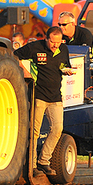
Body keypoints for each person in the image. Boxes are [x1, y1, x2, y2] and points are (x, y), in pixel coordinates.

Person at [14, 26, 72, 176]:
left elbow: (64, 65)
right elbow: (14, 55)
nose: (55, 45)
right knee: (34, 131)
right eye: (52, 42)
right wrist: (25, 72)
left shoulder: (64, 50)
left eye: (58, 42)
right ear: (46, 39)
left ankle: (43, 161)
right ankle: (32, 165)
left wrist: (67, 70)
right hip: (38, 95)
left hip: (55, 96)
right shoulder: (35, 47)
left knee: (58, 128)